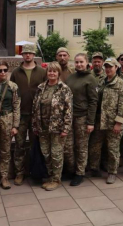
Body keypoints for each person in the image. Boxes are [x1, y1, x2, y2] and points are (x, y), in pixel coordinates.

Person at [32, 62, 73, 191]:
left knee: (56, 154)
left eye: (54, 71)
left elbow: (68, 110)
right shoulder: (41, 87)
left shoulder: (64, 88)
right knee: (46, 153)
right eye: (50, 71)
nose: (52, 73)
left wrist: (66, 128)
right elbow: (35, 107)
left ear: (58, 73)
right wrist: (35, 125)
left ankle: (56, 179)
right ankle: (50, 176)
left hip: (57, 128)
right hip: (42, 127)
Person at [10, 44, 47, 185]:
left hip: (36, 115)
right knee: (19, 145)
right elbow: (12, 91)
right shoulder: (16, 72)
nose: (27, 56)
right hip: (20, 114)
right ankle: (19, 173)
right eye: (25, 53)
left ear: (34, 55)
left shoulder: (42, 72)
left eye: (30, 53)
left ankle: (34, 172)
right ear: (22, 55)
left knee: (34, 145)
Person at [88, 58, 123, 184]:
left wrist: (118, 123)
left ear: (116, 67)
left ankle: (112, 172)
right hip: (100, 120)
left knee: (113, 149)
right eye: (106, 67)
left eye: (111, 67)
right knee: (95, 146)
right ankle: (94, 168)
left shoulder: (120, 83)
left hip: (113, 122)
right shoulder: (101, 82)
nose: (108, 69)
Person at [65, 53, 98, 186]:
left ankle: (80, 172)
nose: (78, 64)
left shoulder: (91, 79)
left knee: (81, 147)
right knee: (68, 146)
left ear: (86, 63)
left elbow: (93, 102)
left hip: (83, 118)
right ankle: (71, 170)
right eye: (76, 62)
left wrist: (90, 122)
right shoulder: (71, 77)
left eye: (81, 62)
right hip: (69, 116)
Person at [0, 61, 21, 190]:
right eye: (0, 70)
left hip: (8, 119)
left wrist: (15, 125)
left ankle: (4, 177)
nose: (3, 73)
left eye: (5, 70)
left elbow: (17, 107)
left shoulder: (13, 87)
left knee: (5, 150)